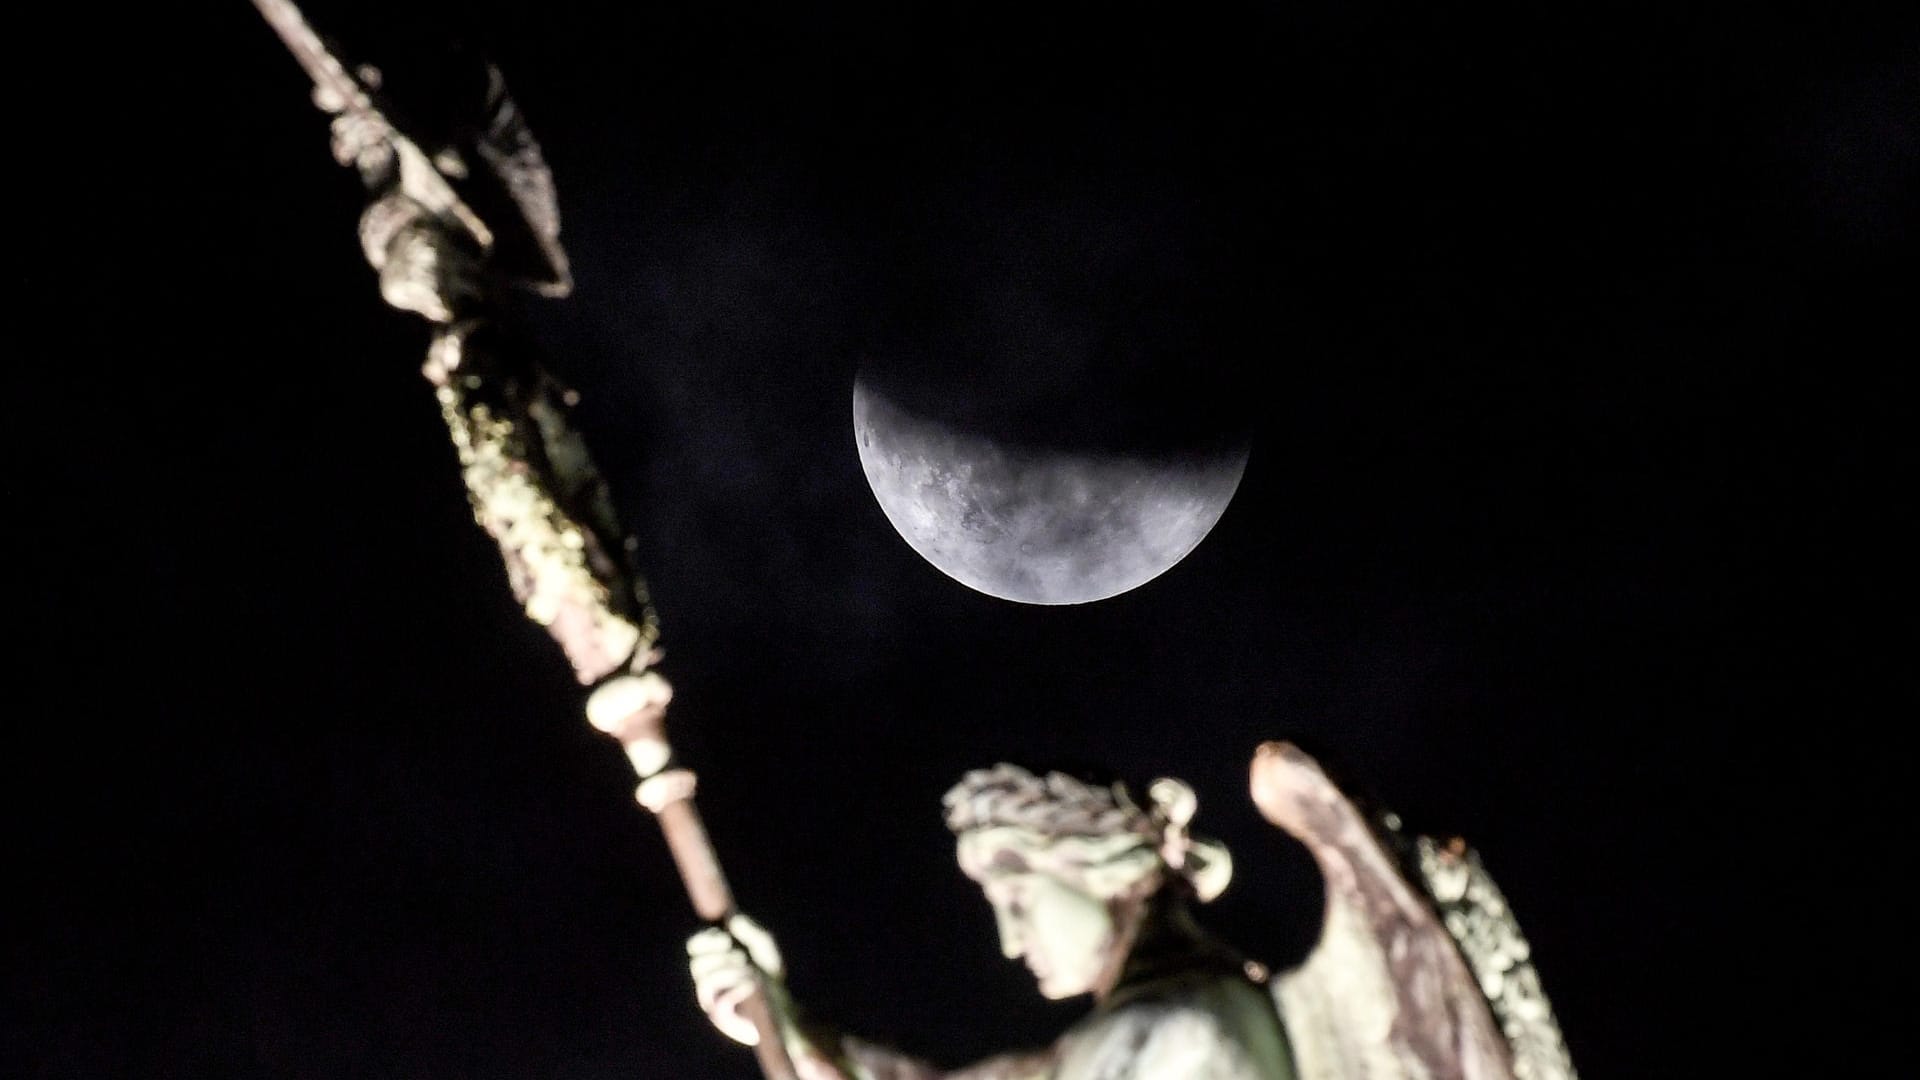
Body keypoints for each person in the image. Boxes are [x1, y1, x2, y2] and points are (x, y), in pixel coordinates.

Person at [688, 764, 1297, 1080]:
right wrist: (779, 1019)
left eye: (1018, 899)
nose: (1010, 942)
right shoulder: (1129, 1032)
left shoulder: (1183, 1027)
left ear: (1099, 867)